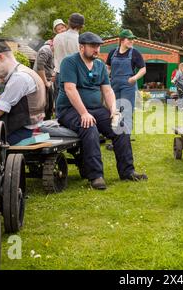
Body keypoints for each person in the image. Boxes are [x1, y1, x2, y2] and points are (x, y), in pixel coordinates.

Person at [56, 32, 148, 190]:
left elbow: (107, 90)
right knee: (89, 127)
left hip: (95, 108)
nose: (96, 50)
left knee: (120, 125)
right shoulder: (69, 62)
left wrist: (113, 110)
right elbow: (70, 89)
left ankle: (128, 171)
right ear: (81, 47)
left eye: (98, 46)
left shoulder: (99, 65)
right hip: (70, 110)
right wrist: (84, 113)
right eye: (93, 46)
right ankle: (96, 176)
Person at [106, 29, 146, 133]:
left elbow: (143, 69)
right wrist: (106, 79)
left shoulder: (135, 53)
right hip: (114, 85)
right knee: (114, 109)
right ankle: (115, 134)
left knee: (126, 109)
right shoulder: (112, 52)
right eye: (129, 39)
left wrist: (134, 78)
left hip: (128, 85)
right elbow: (108, 68)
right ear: (122, 40)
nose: (132, 41)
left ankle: (126, 135)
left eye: (133, 39)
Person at [53, 13, 85, 102]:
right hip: (74, 75)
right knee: (74, 103)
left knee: (60, 103)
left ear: (68, 23)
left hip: (60, 73)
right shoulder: (80, 40)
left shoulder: (56, 38)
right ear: (82, 26)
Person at [33, 39, 54, 120]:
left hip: (48, 82)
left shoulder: (54, 51)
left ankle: (47, 127)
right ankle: (42, 130)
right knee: (43, 108)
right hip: (41, 82)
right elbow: (40, 67)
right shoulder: (45, 50)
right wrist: (46, 82)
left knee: (49, 107)